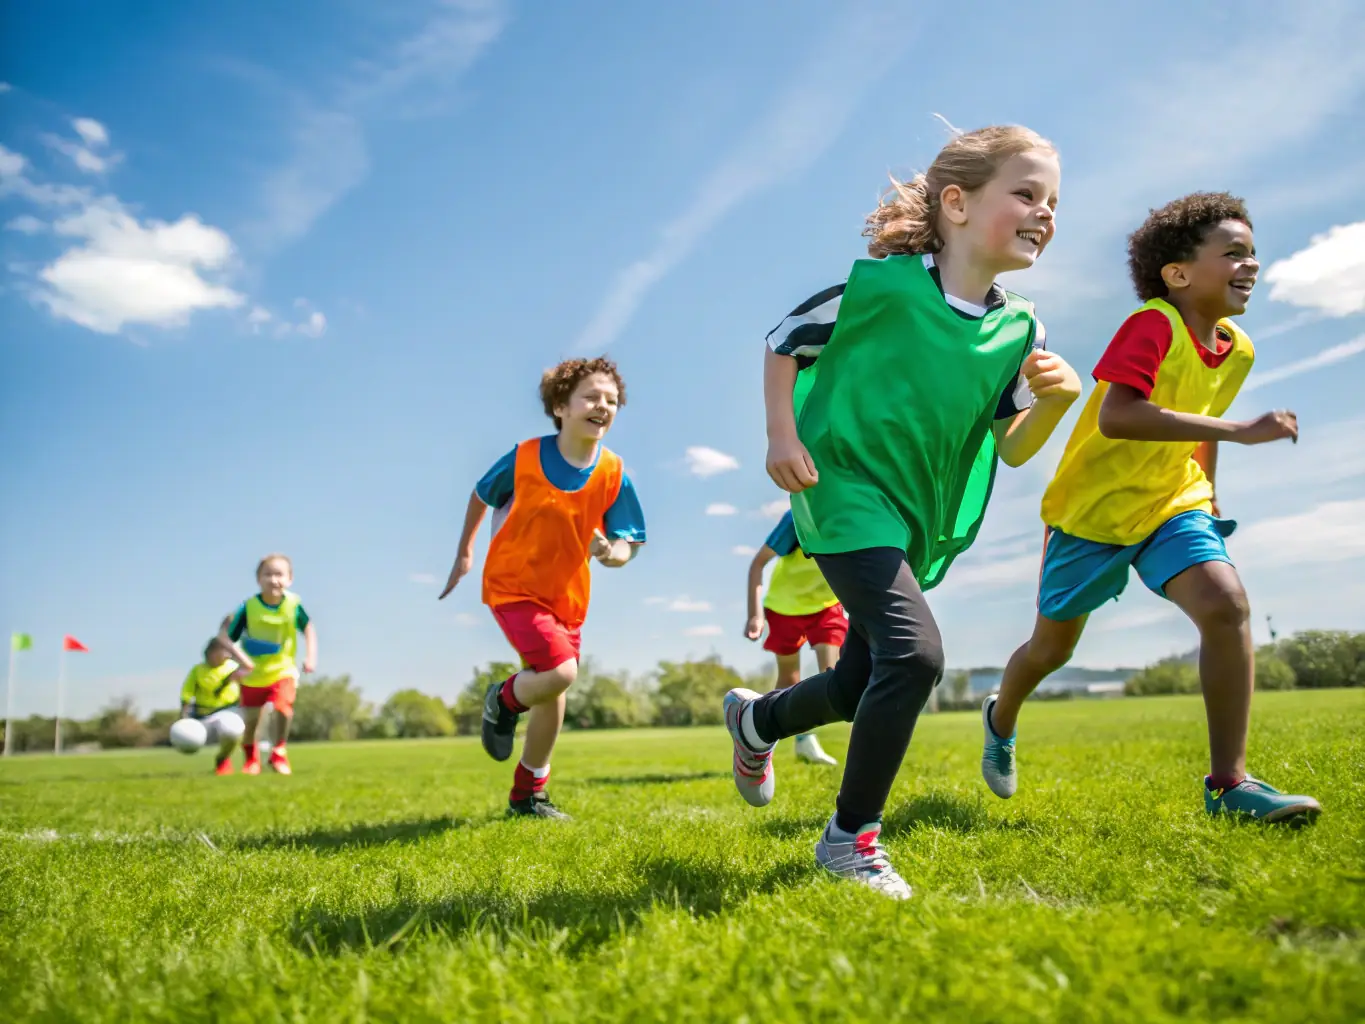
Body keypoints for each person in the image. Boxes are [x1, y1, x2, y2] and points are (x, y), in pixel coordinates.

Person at [722, 124, 1081, 899]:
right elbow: (785, 341)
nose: (1043, 212)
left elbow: (1012, 448)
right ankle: (850, 842)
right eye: (1024, 193)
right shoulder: (879, 287)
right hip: (841, 489)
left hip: (917, 516)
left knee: (859, 685)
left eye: (1051, 201)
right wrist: (779, 435)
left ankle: (756, 724)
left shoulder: (1020, 327)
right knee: (915, 657)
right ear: (955, 202)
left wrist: (1056, 401)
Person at [980, 192, 1321, 825]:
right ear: (1178, 273)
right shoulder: (1153, 325)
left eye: (1254, 254)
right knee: (1052, 651)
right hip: (1092, 515)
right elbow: (1120, 415)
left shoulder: (1237, 349)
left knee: (1226, 606)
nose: (1250, 265)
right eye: (1234, 253)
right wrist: (1242, 432)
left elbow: (1199, 427)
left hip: (1172, 504)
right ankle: (1001, 716)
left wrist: (1209, 498)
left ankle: (1229, 785)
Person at [440, 357, 646, 821]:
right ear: (561, 405)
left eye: (612, 401)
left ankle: (526, 797)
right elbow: (480, 494)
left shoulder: (613, 472)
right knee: (561, 672)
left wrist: (608, 553)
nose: (603, 406)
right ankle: (502, 700)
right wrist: (466, 552)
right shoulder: (525, 456)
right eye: (591, 397)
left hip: (567, 598)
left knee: (555, 694)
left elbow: (628, 542)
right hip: (514, 587)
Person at [743, 509, 845, 766]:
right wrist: (755, 615)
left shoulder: (858, 513)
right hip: (785, 607)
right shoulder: (798, 518)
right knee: (789, 680)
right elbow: (758, 563)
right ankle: (762, 733)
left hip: (826, 605)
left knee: (831, 674)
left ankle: (809, 739)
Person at [215, 553, 317, 776]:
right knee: (252, 722)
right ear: (258, 579)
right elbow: (224, 637)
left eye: (279, 574)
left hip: (282, 670)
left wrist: (311, 657)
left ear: (289, 579)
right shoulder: (248, 608)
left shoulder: (293, 605)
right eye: (267, 574)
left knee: (283, 708)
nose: (273, 580)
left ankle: (278, 752)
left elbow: (308, 628)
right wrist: (241, 660)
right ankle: (252, 760)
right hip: (252, 675)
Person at [178, 638, 248, 775]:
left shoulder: (233, 667)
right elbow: (186, 695)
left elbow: (250, 674)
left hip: (228, 712)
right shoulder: (197, 670)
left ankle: (223, 759)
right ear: (210, 652)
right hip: (201, 717)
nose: (226, 655)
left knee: (232, 730)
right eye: (222, 651)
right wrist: (183, 717)